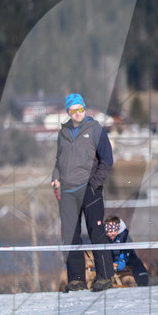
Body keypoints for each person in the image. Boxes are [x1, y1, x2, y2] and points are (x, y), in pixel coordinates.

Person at [51, 93, 114, 292]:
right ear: (68, 112)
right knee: (71, 235)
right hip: (68, 191)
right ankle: (76, 279)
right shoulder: (63, 133)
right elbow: (58, 160)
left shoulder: (96, 130)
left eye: (80, 109)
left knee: (96, 232)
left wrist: (94, 184)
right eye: (73, 110)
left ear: (85, 109)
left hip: (90, 189)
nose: (77, 113)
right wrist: (55, 176)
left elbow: (107, 160)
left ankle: (104, 277)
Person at [104, 215, 149, 287]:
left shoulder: (125, 236)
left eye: (112, 231)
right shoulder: (107, 237)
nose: (110, 234)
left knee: (137, 264)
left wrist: (122, 261)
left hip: (127, 257)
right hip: (112, 258)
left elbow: (126, 250)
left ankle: (142, 283)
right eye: (107, 232)